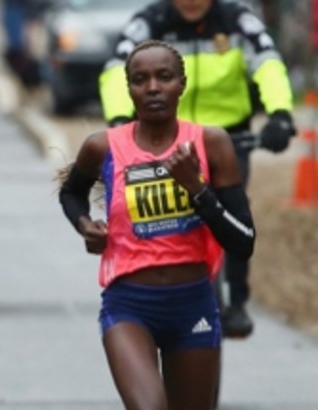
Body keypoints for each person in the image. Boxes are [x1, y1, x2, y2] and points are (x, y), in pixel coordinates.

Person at [62, 39, 254, 410]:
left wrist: (198, 188)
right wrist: (86, 224)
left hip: (193, 303)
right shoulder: (106, 145)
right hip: (129, 302)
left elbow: (243, 239)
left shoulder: (210, 144)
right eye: (140, 79)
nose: (152, 88)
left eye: (163, 78)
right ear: (128, 88)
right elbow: (73, 190)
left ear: (180, 82)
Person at [99, 0, 295, 338]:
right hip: (167, 138)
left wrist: (280, 113)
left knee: (233, 216)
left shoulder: (237, 20)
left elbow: (268, 64)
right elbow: (117, 68)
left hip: (227, 140)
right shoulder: (150, 21)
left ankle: (235, 298)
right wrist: (119, 118)